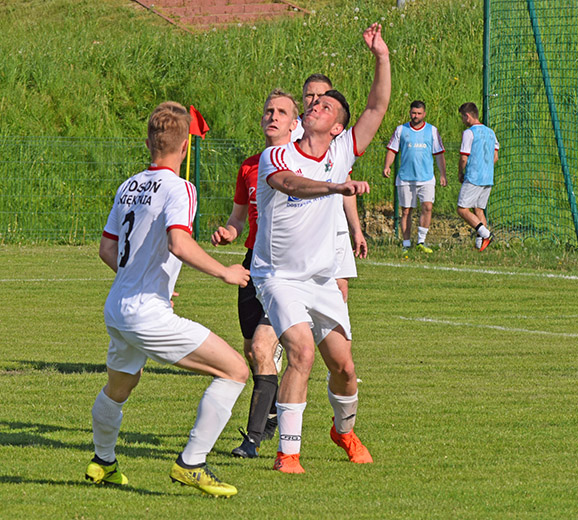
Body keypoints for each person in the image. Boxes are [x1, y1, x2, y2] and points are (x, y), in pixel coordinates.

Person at [86, 101, 250, 498]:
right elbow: (179, 242)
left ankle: (103, 462)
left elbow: (108, 251)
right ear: (185, 147)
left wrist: (145, 280)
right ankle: (191, 463)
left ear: (148, 143)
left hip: (118, 306)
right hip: (145, 312)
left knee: (119, 389)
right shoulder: (180, 188)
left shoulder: (129, 185)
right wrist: (225, 271)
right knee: (235, 371)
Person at [252, 23, 390, 474]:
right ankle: (287, 454)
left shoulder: (343, 150)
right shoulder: (279, 152)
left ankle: (344, 431)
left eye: (325, 105)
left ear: (337, 127)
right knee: (301, 353)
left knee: (345, 369)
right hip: (278, 276)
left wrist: (380, 56)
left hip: (321, 278)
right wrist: (334, 187)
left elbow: (377, 106)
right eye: (312, 101)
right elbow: (289, 183)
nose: (315, 106)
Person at [211, 89, 299, 459]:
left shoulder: (302, 165)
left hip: (285, 268)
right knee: (252, 350)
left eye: (281, 112)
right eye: (268, 111)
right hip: (252, 264)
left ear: (295, 124)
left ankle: (252, 439)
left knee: (264, 348)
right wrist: (228, 232)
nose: (272, 116)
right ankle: (274, 411)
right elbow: (238, 217)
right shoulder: (249, 166)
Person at [292, 73, 368, 302]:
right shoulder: (290, 131)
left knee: (338, 292)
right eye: (309, 95)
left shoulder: (340, 136)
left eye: (321, 96)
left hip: (335, 228)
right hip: (301, 230)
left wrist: (356, 229)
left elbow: (346, 187)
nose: (314, 100)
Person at [382, 100, 447, 253]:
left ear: (424, 114)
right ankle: (406, 244)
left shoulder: (432, 130)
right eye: (413, 113)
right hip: (406, 178)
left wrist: (442, 174)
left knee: (427, 207)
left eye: (419, 113)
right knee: (406, 211)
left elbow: (439, 154)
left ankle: (421, 242)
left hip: (426, 178)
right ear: (410, 113)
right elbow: (392, 150)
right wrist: (387, 166)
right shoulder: (401, 130)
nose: (415, 116)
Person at [456, 102, 499, 251]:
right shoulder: (490, 132)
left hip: (474, 177)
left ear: (467, 116)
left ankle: (486, 234)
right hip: (488, 178)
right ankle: (480, 247)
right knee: (479, 210)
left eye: (462, 117)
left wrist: (461, 172)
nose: (462, 120)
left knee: (462, 209)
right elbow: (495, 156)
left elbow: (463, 157)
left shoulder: (469, 133)